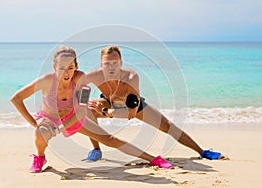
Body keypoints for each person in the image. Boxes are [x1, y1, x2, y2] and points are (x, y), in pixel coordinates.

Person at [10, 45, 174, 173]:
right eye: (61, 68)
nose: (66, 73)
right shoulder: (46, 80)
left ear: (76, 66)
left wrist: (59, 129)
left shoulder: (82, 79)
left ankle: (153, 159)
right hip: (50, 118)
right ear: (54, 67)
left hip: (74, 117)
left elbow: (81, 111)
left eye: (70, 67)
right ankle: (40, 158)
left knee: (110, 139)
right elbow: (16, 98)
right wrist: (34, 123)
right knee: (40, 133)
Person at [85, 45, 225, 161]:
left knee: (168, 126)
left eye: (115, 63)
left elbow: (131, 114)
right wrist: (82, 101)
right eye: (107, 64)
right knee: (89, 110)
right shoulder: (94, 75)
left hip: (132, 107)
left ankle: (202, 151)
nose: (111, 67)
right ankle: (96, 150)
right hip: (109, 101)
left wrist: (105, 112)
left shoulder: (131, 77)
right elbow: (79, 84)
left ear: (121, 63)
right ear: (101, 64)